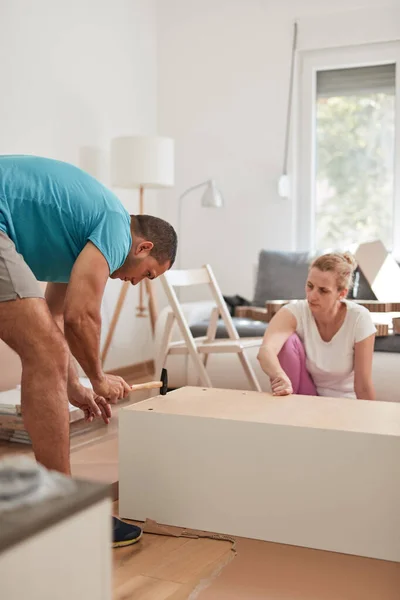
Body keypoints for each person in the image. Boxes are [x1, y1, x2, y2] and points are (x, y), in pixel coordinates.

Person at [0, 154, 177, 546]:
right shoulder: (115, 225)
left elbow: (56, 322)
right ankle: (64, 510)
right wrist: (98, 377)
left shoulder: (78, 242)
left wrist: (77, 386)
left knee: (43, 345)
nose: (135, 284)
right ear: (143, 245)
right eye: (147, 273)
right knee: (43, 350)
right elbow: (83, 316)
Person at [257, 252, 376, 400]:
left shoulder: (359, 318)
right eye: (310, 286)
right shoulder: (295, 311)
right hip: (307, 396)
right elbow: (265, 351)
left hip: (345, 403)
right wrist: (279, 376)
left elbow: (363, 386)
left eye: (323, 290)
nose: (312, 296)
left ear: (342, 294)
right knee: (287, 342)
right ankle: (287, 410)